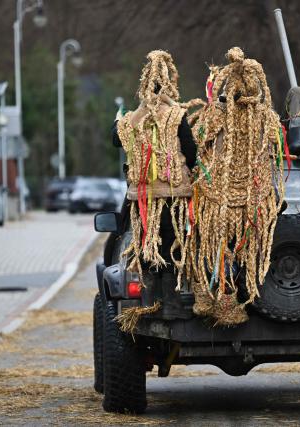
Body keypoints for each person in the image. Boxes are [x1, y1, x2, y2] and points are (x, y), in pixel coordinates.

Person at [187, 47, 286, 325]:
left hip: (219, 200)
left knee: (212, 246)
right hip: (252, 201)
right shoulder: (266, 117)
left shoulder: (214, 116)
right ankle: (229, 300)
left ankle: (211, 296)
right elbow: (280, 141)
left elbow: (196, 140)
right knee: (241, 248)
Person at [115, 50, 196, 320]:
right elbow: (191, 151)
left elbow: (116, 139)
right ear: (168, 86)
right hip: (174, 197)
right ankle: (172, 305)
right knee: (172, 247)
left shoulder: (133, 119)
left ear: (143, 87)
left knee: (146, 247)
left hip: (143, 200)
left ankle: (150, 303)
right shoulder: (176, 115)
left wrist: (133, 114)